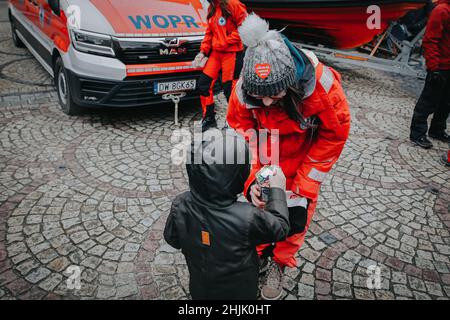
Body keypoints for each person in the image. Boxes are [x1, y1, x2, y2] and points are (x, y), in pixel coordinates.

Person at [227, 14, 351, 300]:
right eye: (261, 97)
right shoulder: (243, 88)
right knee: (257, 205)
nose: (267, 102)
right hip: (264, 155)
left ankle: (280, 263)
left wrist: (306, 182)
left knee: (295, 216)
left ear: (293, 81)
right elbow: (240, 130)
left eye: (274, 94)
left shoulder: (323, 86)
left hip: (303, 160)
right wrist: (252, 178)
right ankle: (256, 253)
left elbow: (335, 134)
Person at [164, 128, 290, 300]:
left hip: (200, 286)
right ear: (239, 174)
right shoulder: (247, 217)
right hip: (240, 291)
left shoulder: (180, 203)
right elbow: (280, 227)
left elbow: (172, 239)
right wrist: (277, 190)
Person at [194, 0, 247, 132]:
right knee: (203, 84)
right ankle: (209, 118)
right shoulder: (212, 7)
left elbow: (245, 27)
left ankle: (234, 122)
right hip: (216, 54)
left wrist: (224, 42)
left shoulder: (234, 4)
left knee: (230, 90)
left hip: (232, 53)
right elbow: (209, 32)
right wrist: (203, 52)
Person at [410, 0, 450, 149]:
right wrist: (433, 67)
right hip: (440, 66)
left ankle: (437, 130)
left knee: (446, 103)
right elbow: (430, 39)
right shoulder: (442, 10)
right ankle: (417, 134)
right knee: (428, 101)